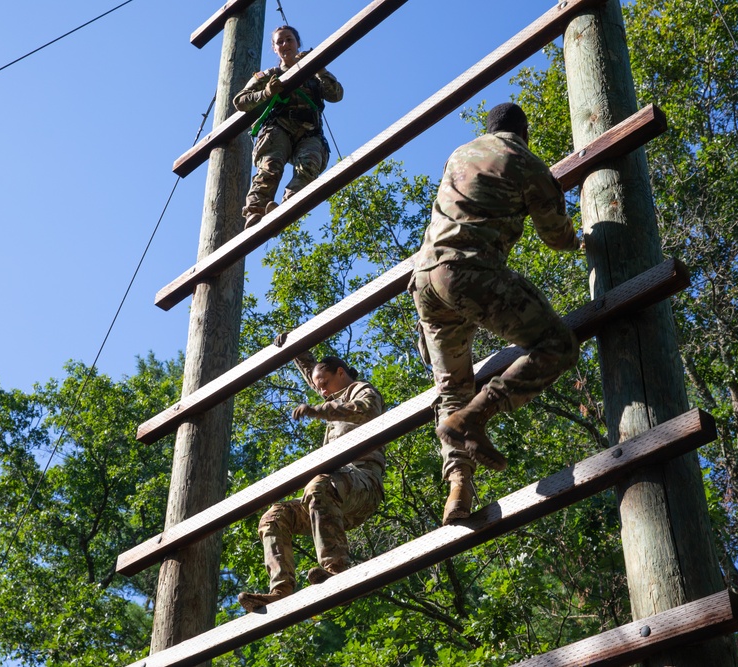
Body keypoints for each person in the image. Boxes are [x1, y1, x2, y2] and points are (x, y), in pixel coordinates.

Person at [409, 102, 581, 526]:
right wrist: (583, 239)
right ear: (523, 133)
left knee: (452, 390)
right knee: (557, 345)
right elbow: (556, 235)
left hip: (425, 282)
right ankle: (474, 418)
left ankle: (458, 492)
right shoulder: (524, 161)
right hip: (467, 272)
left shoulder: (459, 155)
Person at [237, 348, 384, 612]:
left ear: (341, 372)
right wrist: (292, 346)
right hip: (330, 503)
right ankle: (280, 590)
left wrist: (318, 410)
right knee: (274, 516)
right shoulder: (327, 387)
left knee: (317, 484)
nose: (323, 391)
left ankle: (337, 571)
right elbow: (313, 371)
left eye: (325, 385)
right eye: (318, 389)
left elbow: (366, 409)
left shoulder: (361, 390)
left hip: (362, 486)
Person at [233, 25, 344, 230]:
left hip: (309, 132)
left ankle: (287, 205)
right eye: (280, 42)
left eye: (289, 40)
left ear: (298, 43)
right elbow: (240, 101)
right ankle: (255, 211)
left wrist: (319, 67)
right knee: (270, 167)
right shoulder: (268, 76)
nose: (285, 45)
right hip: (278, 128)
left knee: (309, 164)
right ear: (274, 49)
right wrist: (265, 93)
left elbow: (336, 95)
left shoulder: (311, 72)